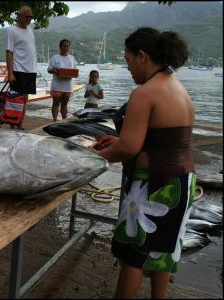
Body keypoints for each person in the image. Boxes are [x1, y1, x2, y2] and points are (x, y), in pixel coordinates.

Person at [91, 27, 194, 299]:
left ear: (142, 56)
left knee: (133, 256)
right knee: (163, 252)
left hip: (153, 187)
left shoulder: (145, 93)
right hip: (180, 182)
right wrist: (117, 141)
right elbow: (159, 140)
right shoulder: (177, 87)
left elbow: (129, 147)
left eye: (127, 61)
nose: (128, 68)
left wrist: (90, 158)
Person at [5, 5, 37, 129]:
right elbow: (9, 52)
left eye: (31, 17)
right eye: (27, 16)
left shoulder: (30, 29)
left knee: (25, 99)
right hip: (18, 69)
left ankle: (20, 125)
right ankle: (13, 126)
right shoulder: (12, 30)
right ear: (20, 16)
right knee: (15, 100)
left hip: (31, 70)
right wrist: (10, 73)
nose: (29, 19)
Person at [47, 39, 77, 122]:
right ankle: (55, 121)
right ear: (60, 47)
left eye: (67, 46)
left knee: (64, 104)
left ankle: (64, 121)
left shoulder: (72, 58)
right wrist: (55, 71)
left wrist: (74, 74)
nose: (66, 48)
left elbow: (74, 70)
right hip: (57, 85)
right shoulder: (55, 58)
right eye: (64, 46)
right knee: (56, 103)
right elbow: (49, 70)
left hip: (68, 85)